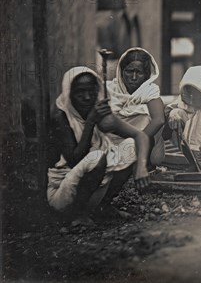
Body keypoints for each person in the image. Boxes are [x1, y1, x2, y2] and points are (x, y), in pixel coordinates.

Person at [48, 67, 151, 223]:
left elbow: (140, 136)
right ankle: (77, 216)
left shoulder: (99, 112)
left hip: (92, 187)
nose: (87, 97)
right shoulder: (61, 117)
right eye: (79, 93)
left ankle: (102, 206)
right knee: (97, 157)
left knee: (131, 145)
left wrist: (142, 167)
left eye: (91, 91)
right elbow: (75, 160)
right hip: (64, 195)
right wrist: (90, 121)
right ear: (69, 93)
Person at [107, 47, 165, 167]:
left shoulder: (149, 91)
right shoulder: (110, 89)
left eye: (139, 72)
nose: (133, 77)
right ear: (121, 71)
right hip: (110, 142)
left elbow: (159, 120)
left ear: (146, 74)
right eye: (129, 71)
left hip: (140, 144)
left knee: (144, 115)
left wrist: (137, 143)